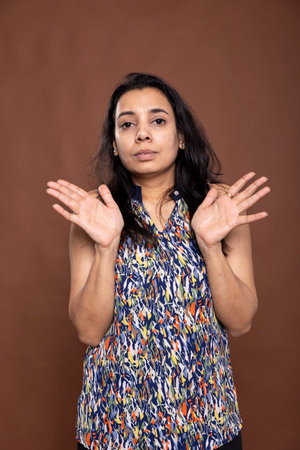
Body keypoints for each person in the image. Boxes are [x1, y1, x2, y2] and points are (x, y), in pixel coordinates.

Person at [46, 73, 270, 450]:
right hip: (113, 428)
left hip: (207, 426)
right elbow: (88, 331)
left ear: (181, 137)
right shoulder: (94, 214)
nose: (143, 134)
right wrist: (107, 245)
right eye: (127, 124)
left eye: (158, 121)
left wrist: (210, 245)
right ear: (114, 145)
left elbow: (241, 321)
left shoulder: (220, 207)